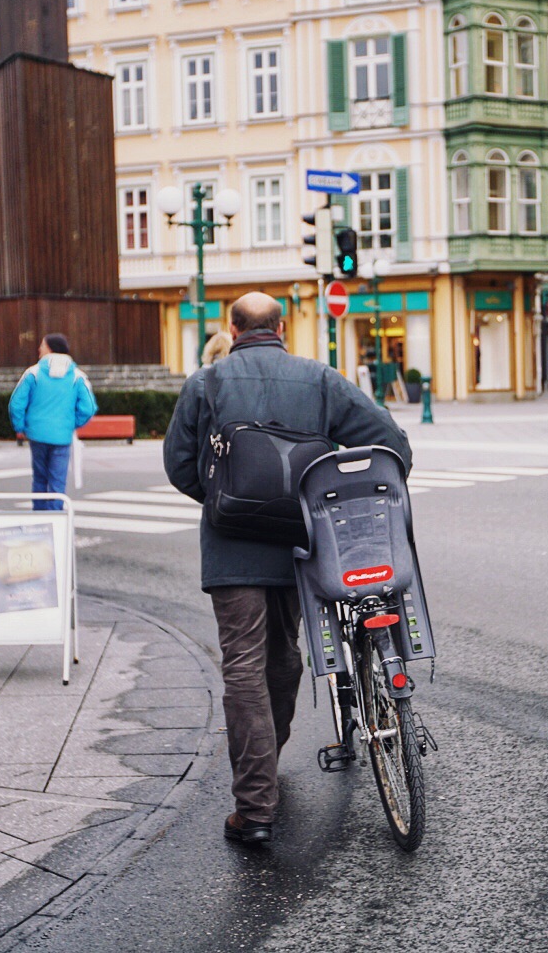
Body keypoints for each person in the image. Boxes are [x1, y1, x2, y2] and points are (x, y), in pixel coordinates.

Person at [164, 292, 410, 846]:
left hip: (232, 548)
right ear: (283, 327)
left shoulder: (207, 382)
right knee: (284, 657)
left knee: (244, 665)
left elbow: (179, 464)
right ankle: (266, 766)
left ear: (233, 327)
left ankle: (255, 806)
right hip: (301, 542)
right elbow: (389, 441)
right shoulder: (320, 379)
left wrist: (225, 498)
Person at [9, 333, 96, 510]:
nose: (39, 349)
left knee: (40, 478)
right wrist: (71, 423)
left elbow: (16, 404)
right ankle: (55, 519)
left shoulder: (32, 373)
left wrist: (21, 426)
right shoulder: (77, 376)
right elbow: (88, 408)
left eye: (42, 345)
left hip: (37, 434)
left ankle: (40, 517)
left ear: (50, 349)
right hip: (62, 436)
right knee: (57, 481)